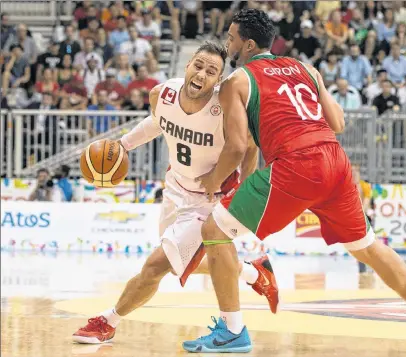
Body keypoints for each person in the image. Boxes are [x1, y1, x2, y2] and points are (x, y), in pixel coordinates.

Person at [183, 9, 406, 353]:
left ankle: (233, 331)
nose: (228, 43)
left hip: (297, 165)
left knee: (214, 233)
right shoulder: (305, 68)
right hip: (335, 161)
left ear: (248, 45)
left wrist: (212, 180)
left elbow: (237, 147)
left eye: (232, 38)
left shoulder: (237, 81)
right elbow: (337, 121)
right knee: (368, 248)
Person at [72, 42, 279, 345]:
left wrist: (243, 189)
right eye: (198, 65)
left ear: (218, 79)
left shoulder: (225, 109)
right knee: (178, 262)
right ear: (187, 66)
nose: (202, 74)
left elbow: (248, 146)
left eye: (212, 71)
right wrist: (124, 145)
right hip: (175, 190)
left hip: (209, 200)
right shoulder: (164, 94)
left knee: (156, 265)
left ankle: (108, 321)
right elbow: (157, 122)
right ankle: (253, 272)